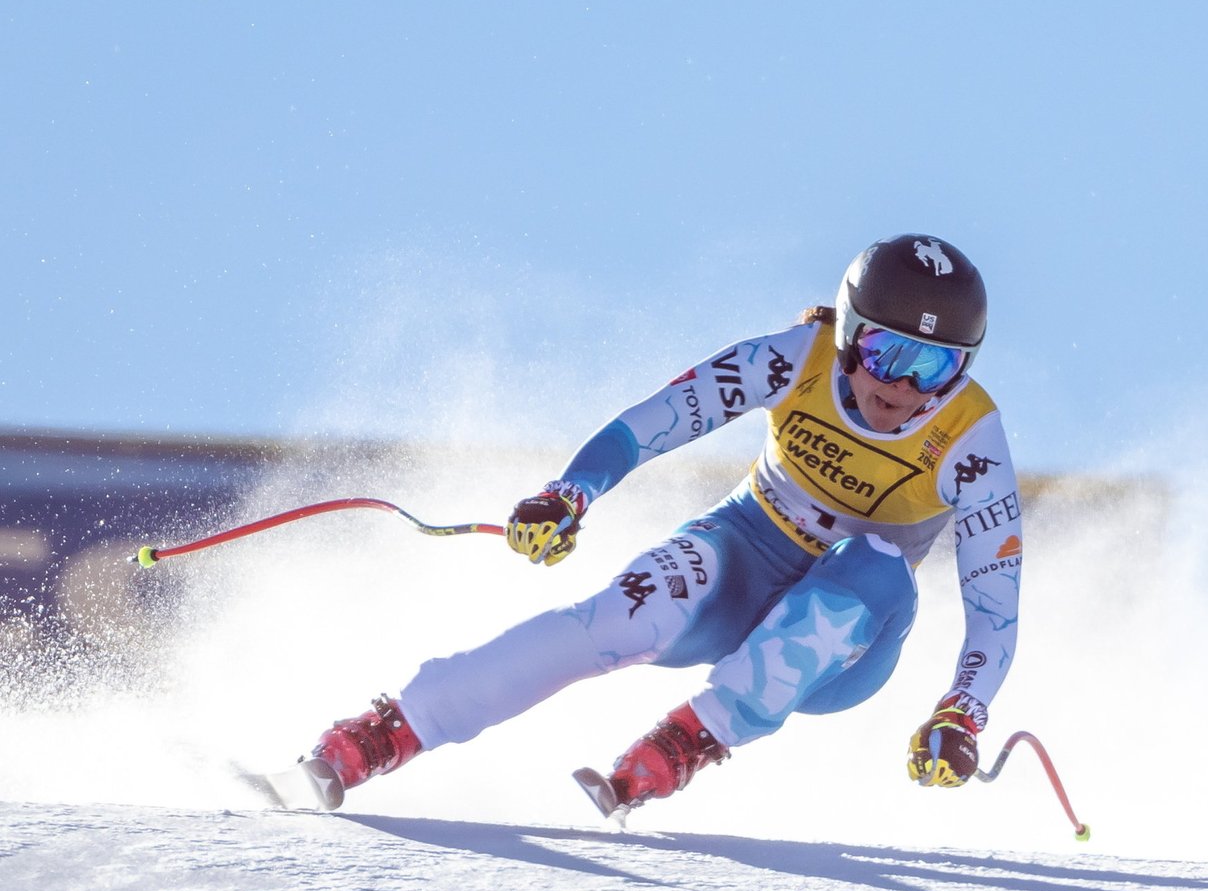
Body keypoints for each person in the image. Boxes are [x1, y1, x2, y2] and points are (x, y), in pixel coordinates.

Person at [299, 234, 1024, 819]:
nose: (901, 387)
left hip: (847, 643)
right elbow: (656, 422)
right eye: (885, 353)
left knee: (871, 557)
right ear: (848, 334)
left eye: (934, 366)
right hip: (743, 555)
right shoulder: (794, 357)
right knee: (615, 616)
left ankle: (689, 740)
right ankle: (395, 727)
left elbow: (995, 609)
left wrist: (961, 713)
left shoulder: (970, 439)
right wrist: (570, 494)